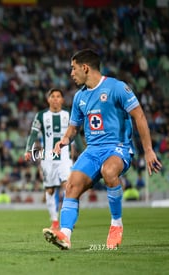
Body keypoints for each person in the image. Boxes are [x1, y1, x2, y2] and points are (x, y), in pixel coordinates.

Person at [43, 49, 162, 250]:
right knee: (72, 185)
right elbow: (74, 128)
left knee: (109, 171)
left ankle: (116, 224)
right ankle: (65, 234)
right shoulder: (80, 98)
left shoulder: (117, 88)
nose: (71, 73)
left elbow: (139, 116)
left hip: (118, 148)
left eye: (73, 68)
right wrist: (64, 140)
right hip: (92, 150)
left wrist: (148, 150)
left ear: (85, 68)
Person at [24, 88, 82, 230]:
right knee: (50, 190)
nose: (55, 99)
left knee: (69, 187)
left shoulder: (69, 115)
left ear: (62, 99)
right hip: (48, 158)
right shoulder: (41, 116)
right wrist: (28, 150)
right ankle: (55, 221)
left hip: (65, 158)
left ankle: (69, 219)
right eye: (53, 96)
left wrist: (83, 152)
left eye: (58, 96)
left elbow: (76, 135)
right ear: (48, 99)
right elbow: (33, 134)